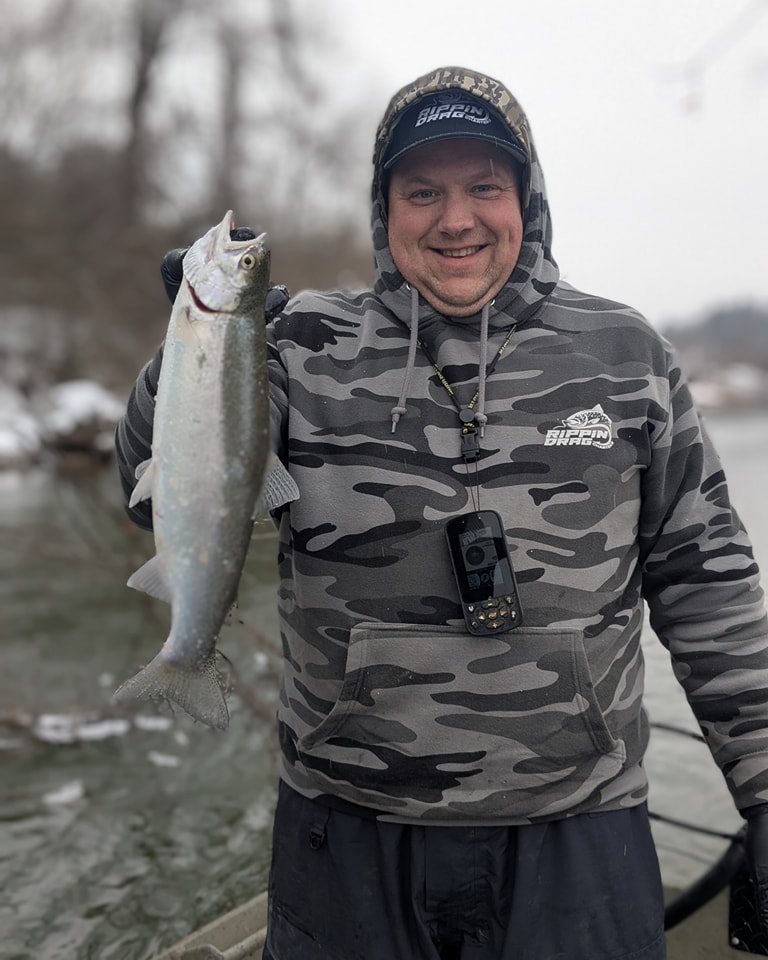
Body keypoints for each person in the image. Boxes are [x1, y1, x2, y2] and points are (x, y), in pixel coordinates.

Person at [115, 66, 768, 960]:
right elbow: (151, 485)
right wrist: (193, 353)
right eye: (422, 191)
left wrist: (764, 790)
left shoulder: (628, 355)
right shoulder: (300, 345)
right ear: (384, 210)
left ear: (526, 200)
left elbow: (709, 585)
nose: (455, 218)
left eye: (483, 187)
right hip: (346, 830)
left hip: (578, 832)